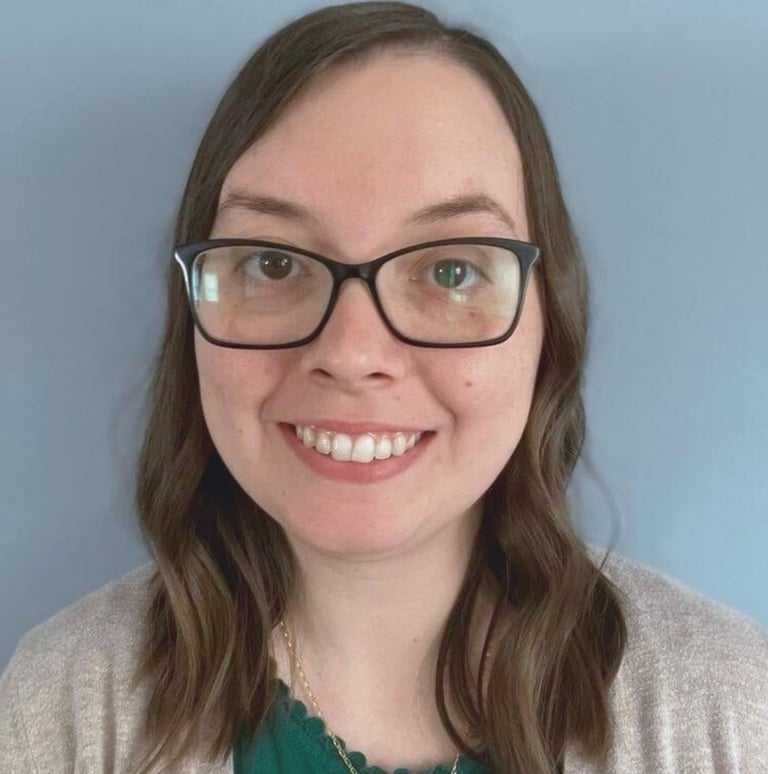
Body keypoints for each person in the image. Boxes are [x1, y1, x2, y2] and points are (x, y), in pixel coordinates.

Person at [1, 2, 766, 772]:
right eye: (272, 263)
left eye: (449, 270)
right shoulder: (60, 706)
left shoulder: (735, 710)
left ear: (549, 323)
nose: (352, 352)